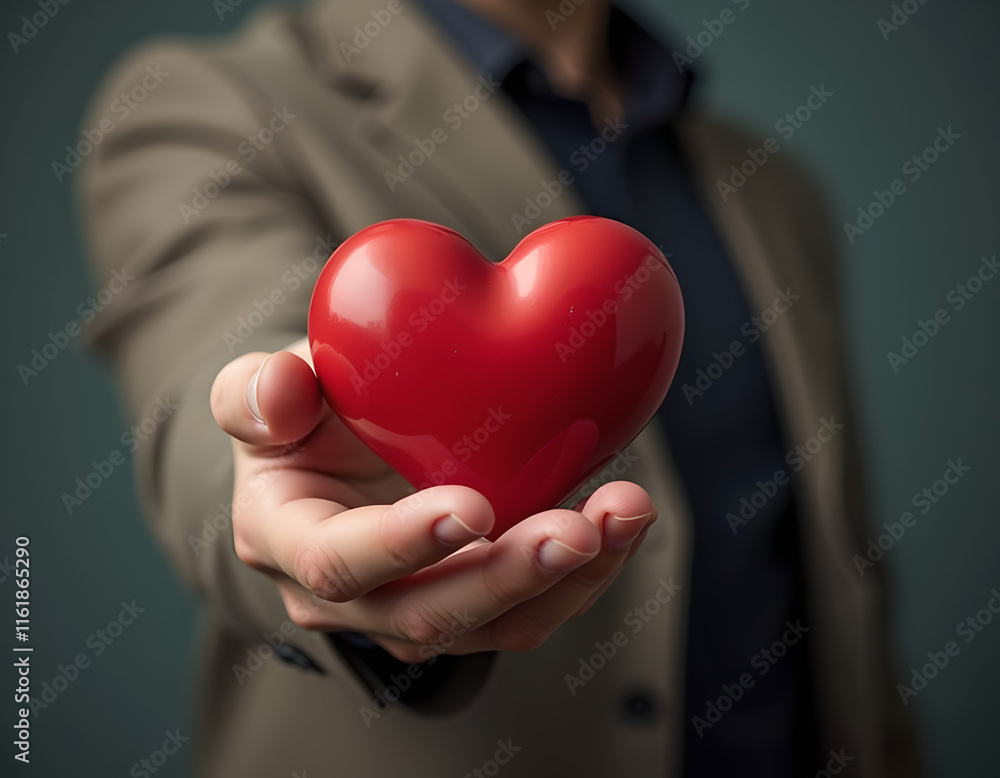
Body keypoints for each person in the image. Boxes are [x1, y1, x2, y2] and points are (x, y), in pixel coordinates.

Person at [78, 0, 922, 775]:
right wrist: (279, 471)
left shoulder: (774, 187)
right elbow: (209, 369)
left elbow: (835, 557)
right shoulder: (209, 104)